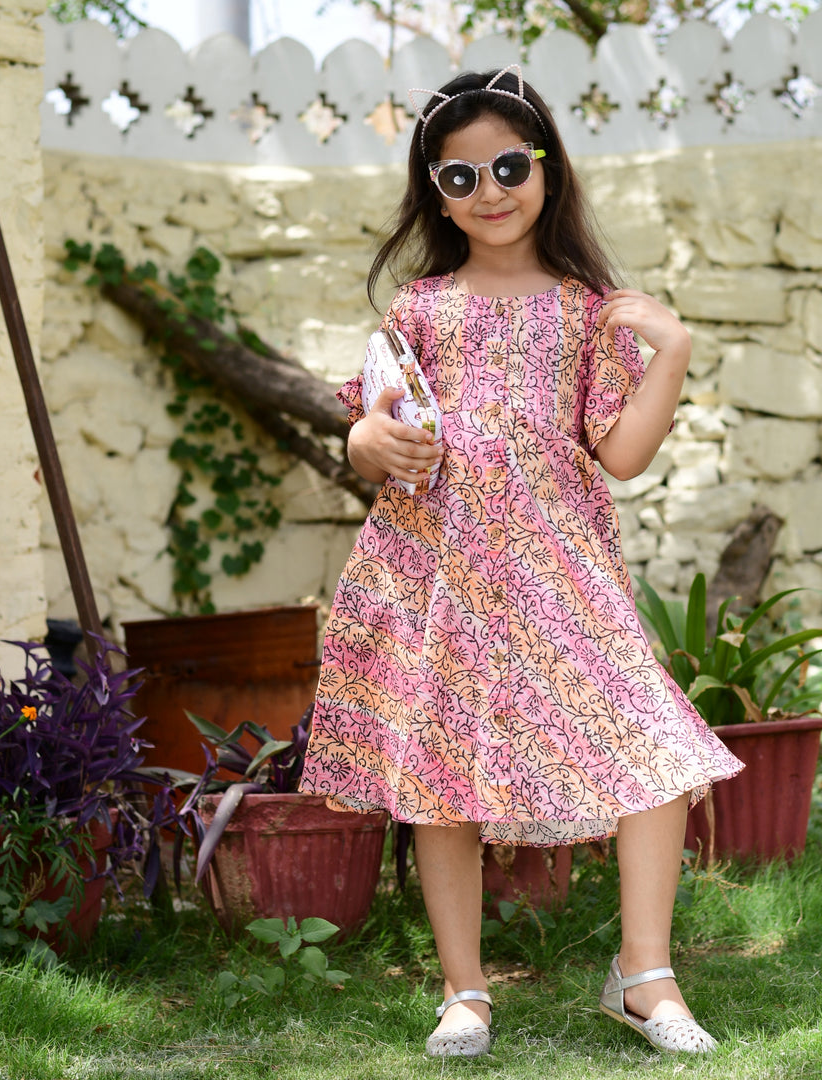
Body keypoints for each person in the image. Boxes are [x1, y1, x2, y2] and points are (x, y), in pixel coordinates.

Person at [299, 65, 744, 1059]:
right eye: (460, 177)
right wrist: (366, 446)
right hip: (435, 568)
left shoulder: (589, 309)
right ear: (434, 191)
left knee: (654, 745)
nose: (489, 191)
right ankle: (466, 992)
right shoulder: (417, 307)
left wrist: (668, 351)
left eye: (508, 165)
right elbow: (373, 426)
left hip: (561, 564)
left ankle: (645, 974)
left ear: (546, 168)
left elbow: (621, 454)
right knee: (443, 771)